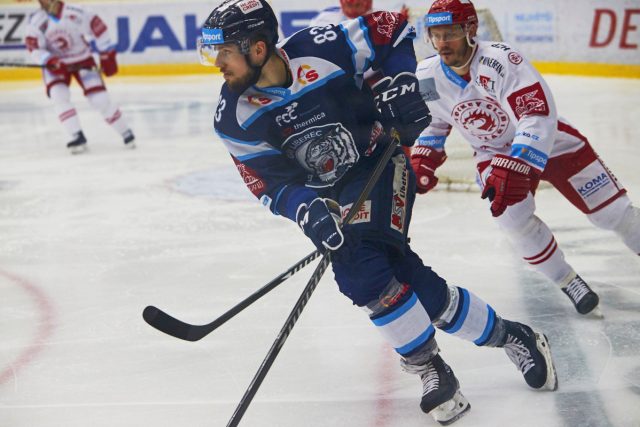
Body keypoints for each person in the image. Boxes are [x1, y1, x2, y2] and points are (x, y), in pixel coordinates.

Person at [200, 0, 557, 424]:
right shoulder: (233, 118)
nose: (217, 64)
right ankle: (510, 335)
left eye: (224, 52)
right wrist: (306, 209)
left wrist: (403, 81)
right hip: (328, 196)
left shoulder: (324, 46)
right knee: (396, 272)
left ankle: (430, 369)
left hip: (380, 161)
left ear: (257, 49)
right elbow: (268, 182)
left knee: (359, 269)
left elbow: (393, 29)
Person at [410, 0, 640, 316]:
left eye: (449, 33)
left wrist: (520, 162)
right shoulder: (426, 74)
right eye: (435, 34)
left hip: (551, 143)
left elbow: (536, 114)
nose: (441, 43)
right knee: (512, 219)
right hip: (492, 153)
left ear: (470, 30)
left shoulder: (502, 61)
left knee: (613, 213)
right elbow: (434, 121)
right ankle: (567, 280)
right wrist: (425, 154)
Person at [24, 0, 135, 154]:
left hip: (82, 60)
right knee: (58, 96)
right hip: (56, 65)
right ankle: (77, 135)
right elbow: (34, 48)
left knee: (100, 100)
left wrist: (106, 54)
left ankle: (125, 131)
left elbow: (99, 28)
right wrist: (49, 60)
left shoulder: (77, 12)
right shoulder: (36, 21)